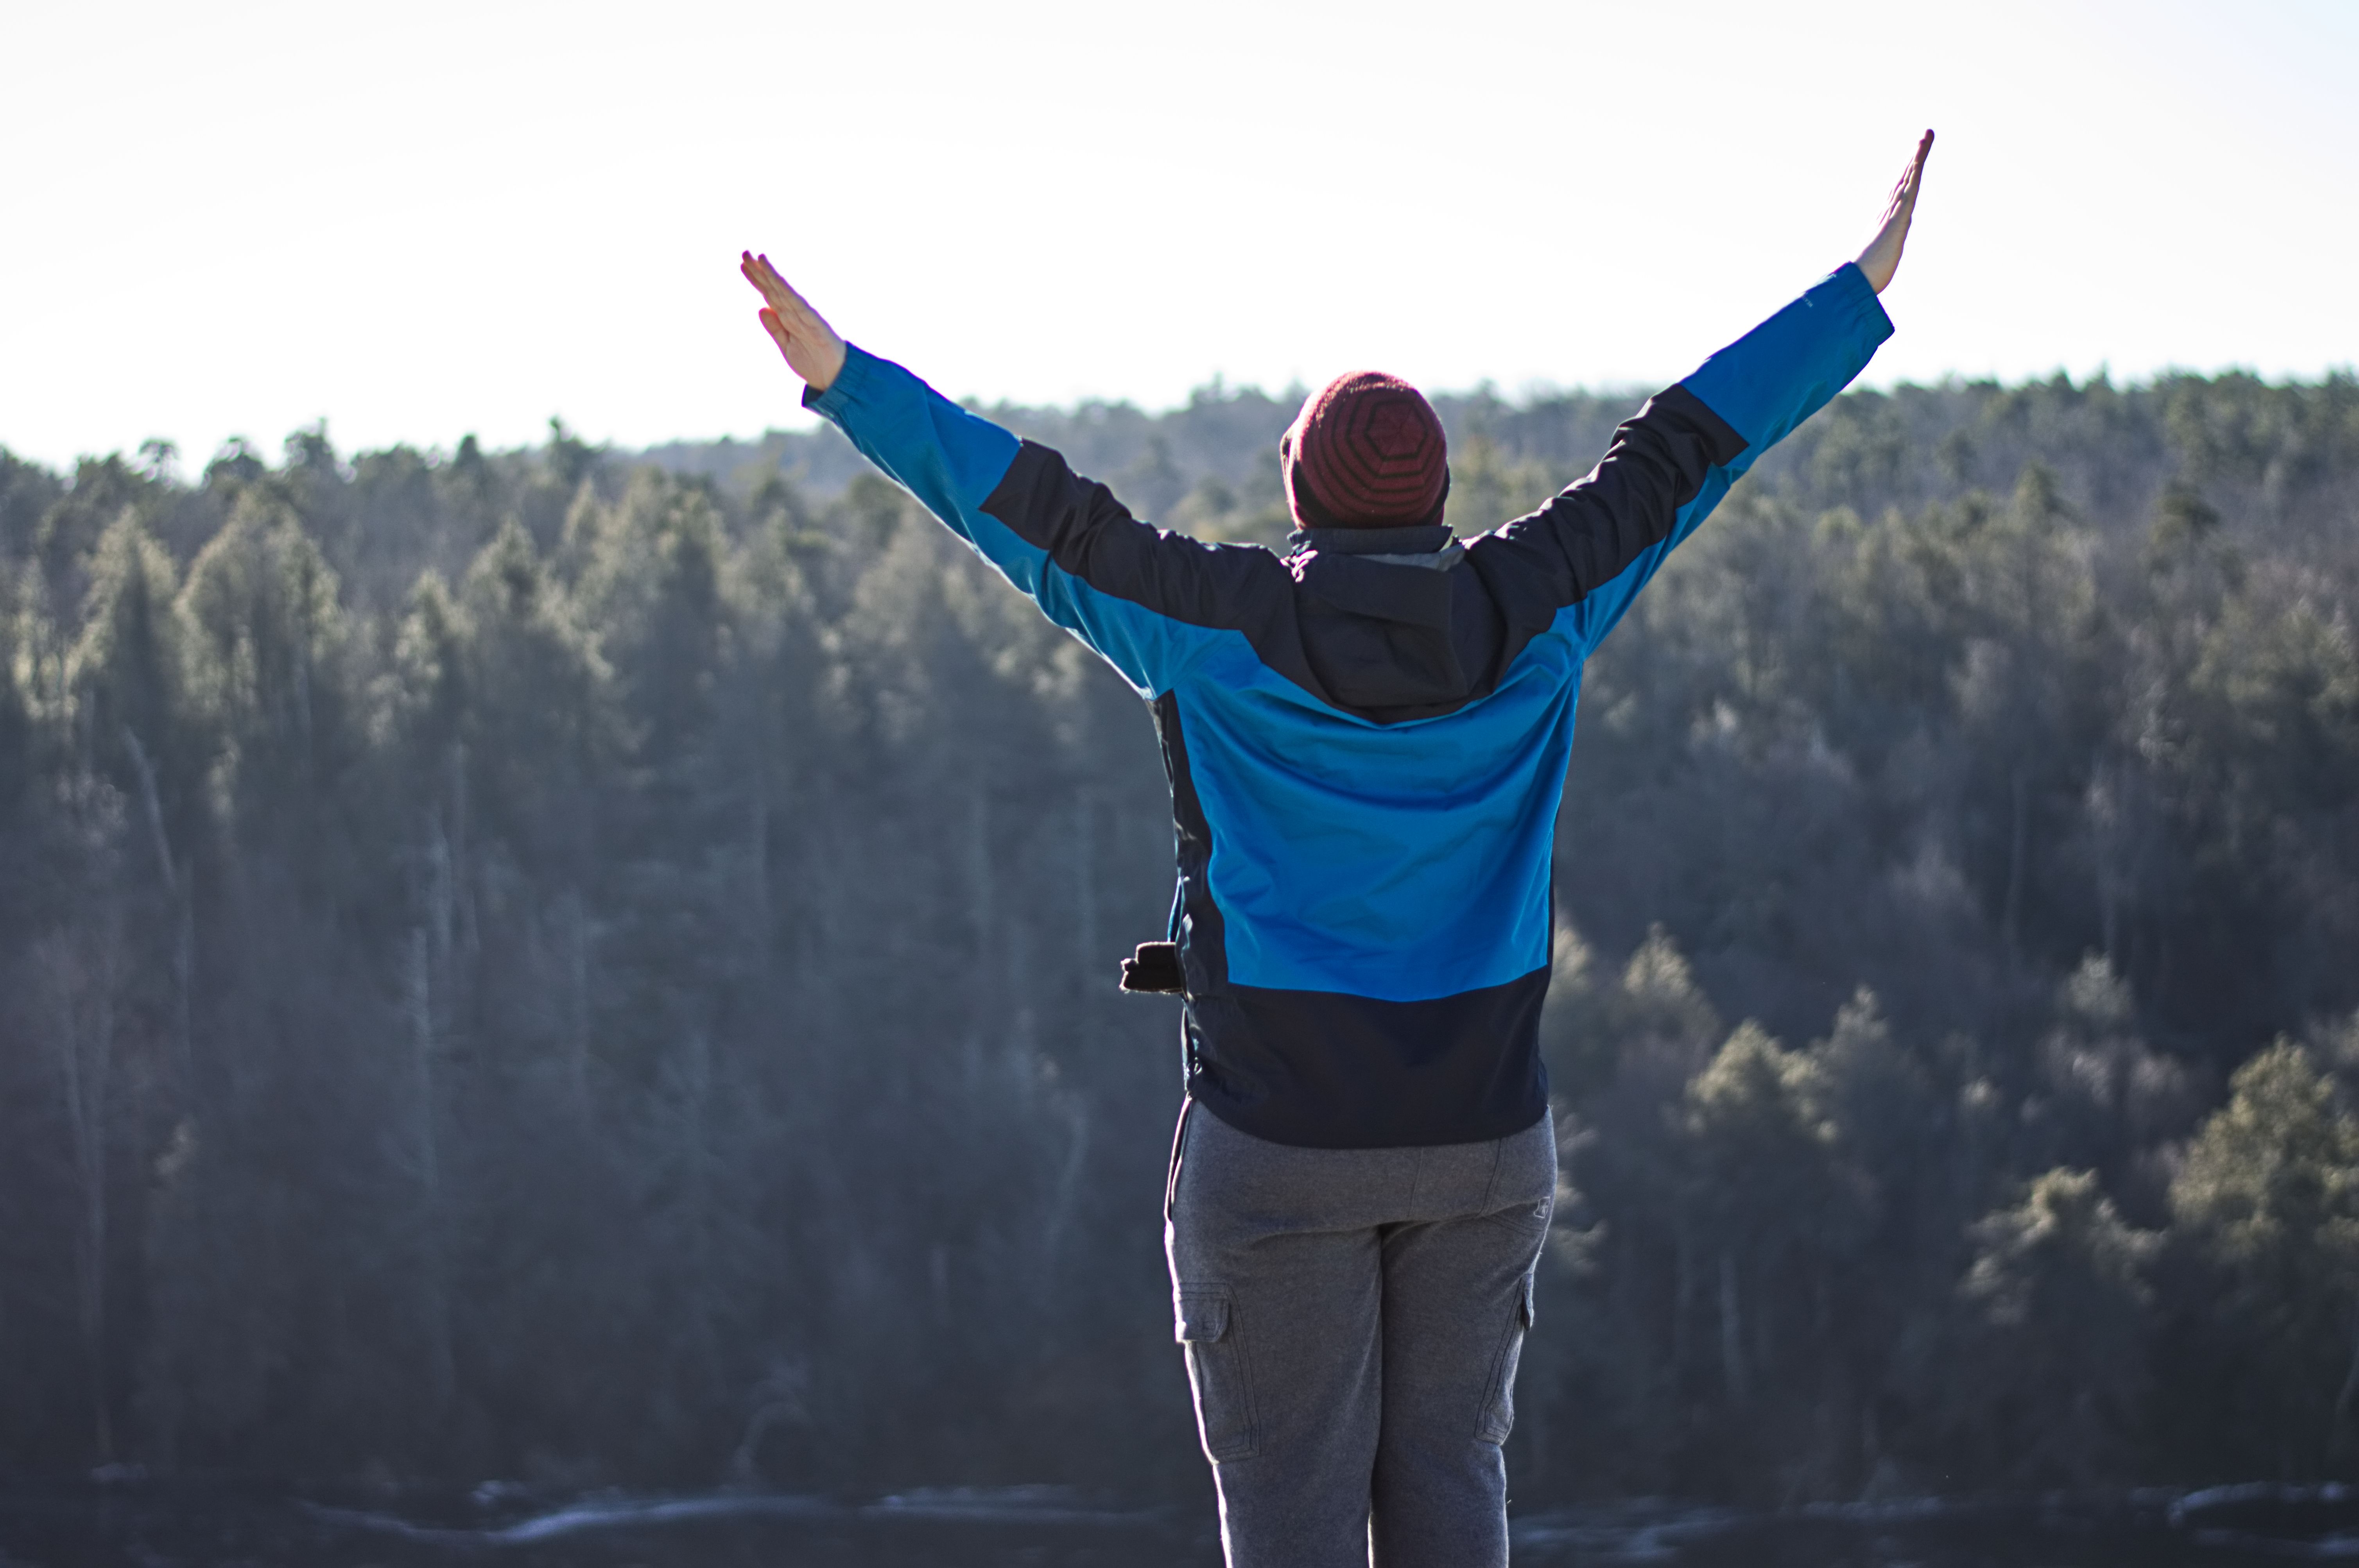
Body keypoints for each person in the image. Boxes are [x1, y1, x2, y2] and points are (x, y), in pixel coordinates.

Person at [741, 128, 1932, 1568]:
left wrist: (846, 383)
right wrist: (1858, 286)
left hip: (1278, 1147)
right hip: (1483, 1146)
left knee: (1291, 1526)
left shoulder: (1211, 623)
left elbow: (1030, 508)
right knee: (1450, 1491)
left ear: (1301, 494)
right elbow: (1688, 444)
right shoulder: (1541, 602)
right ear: (1435, 498)